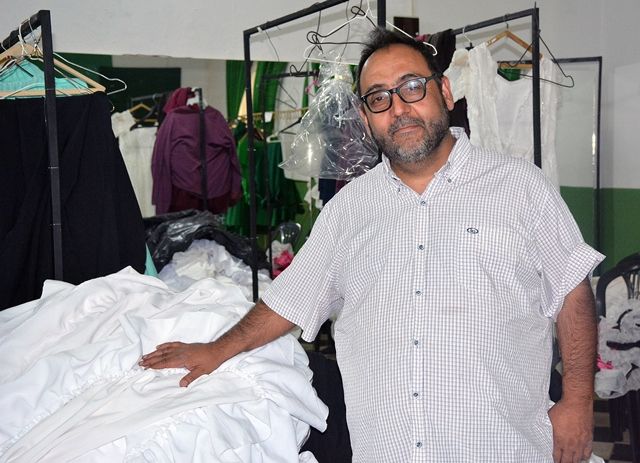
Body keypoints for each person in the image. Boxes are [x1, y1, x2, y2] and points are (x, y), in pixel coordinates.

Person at [140, 28, 604, 463]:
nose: (398, 108)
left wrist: (578, 401)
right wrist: (216, 350)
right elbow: (288, 301)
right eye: (379, 98)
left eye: (412, 87)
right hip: (388, 449)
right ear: (365, 118)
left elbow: (573, 292)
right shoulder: (348, 211)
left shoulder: (519, 187)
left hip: (498, 445)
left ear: (445, 92)